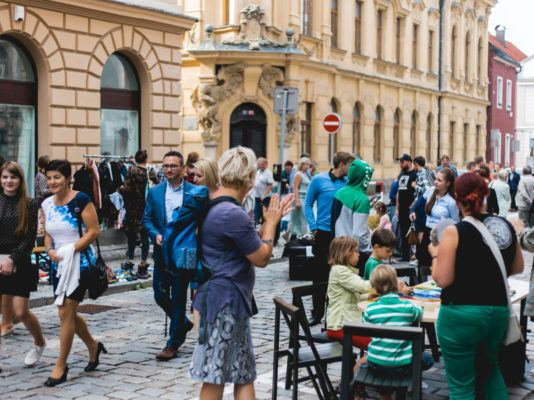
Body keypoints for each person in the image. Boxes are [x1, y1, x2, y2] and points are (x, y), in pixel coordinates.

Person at [189, 146, 294, 400]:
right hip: (224, 303)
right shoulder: (232, 213)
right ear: (249, 178)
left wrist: (267, 225)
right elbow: (261, 257)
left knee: (242, 372)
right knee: (215, 377)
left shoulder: (216, 204)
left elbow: (246, 246)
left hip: (225, 301)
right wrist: (270, 224)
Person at [429, 172, 524, 398]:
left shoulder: (454, 231)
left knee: (462, 384)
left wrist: (435, 255)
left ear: (456, 197)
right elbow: (518, 267)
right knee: (490, 371)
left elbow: (443, 279)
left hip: (461, 314)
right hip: (497, 311)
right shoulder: (506, 225)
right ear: (486, 193)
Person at [42, 159, 103, 386]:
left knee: (66, 312)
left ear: (68, 178)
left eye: (57, 177)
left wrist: (70, 250)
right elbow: (48, 232)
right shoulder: (47, 203)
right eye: (48, 177)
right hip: (59, 264)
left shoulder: (81, 200)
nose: (52, 182)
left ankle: (60, 365)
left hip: (80, 263)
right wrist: (49, 249)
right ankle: (93, 346)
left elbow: (94, 231)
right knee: (64, 312)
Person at [143, 151, 197, 361]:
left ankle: (173, 343)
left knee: (178, 298)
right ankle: (182, 323)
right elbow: (147, 219)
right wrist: (155, 234)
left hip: (183, 253)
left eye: (173, 166)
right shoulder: (155, 192)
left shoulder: (194, 192)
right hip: (161, 252)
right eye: (165, 166)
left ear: (182, 168)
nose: (168, 170)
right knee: (159, 294)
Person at [358, 265, 432, 400]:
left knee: (385, 362)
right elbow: (419, 313)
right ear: (396, 284)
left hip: (376, 365)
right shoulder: (407, 307)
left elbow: (367, 328)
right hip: (401, 367)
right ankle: (403, 389)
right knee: (427, 358)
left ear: (374, 287)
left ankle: (385, 394)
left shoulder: (370, 309)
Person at [0, 162, 45, 368]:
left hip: (19, 261)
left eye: (13, 177)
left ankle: (39, 343)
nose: (9, 181)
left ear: (20, 180)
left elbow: (29, 239)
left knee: (21, 311)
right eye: (5, 177)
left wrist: (12, 259)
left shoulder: (29, 204)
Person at [305, 151, 355, 326]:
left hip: (342, 235)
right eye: (350, 165)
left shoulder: (349, 183)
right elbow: (308, 204)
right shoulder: (318, 180)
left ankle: (336, 315)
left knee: (341, 275)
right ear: (342, 164)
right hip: (323, 234)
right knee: (319, 275)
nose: (351, 168)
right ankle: (317, 313)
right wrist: (314, 227)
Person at [326, 236, 374, 350]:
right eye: (356, 251)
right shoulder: (340, 271)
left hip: (345, 325)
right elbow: (362, 286)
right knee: (379, 347)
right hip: (341, 327)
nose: (359, 254)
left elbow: (350, 296)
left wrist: (369, 296)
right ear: (347, 253)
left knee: (380, 340)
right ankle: (361, 366)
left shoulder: (342, 270)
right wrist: (387, 284)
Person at [410, 168, 459, 271]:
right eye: (435, 179)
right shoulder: (430, 191)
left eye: (439, 180)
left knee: (439, 266)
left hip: (443, 237)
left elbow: (456, 224)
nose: (435, 182)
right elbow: (418, 203)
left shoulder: (452, 201)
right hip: (428, 234)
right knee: (423, 264)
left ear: (448, 183)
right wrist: (412, 211)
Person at [332, 159, 374, 272]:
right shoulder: (362, 199)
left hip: (339, 249)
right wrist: (367, 249)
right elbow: (359, 234)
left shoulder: (339, 193)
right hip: (354, 253)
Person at [118, 150, 153, 279]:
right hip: (146, 209)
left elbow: (126, 189)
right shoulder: (150, 172)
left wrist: (120, 190)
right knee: (145, 236)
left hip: (133, 209)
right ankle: (143, 261)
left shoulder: (132, 171)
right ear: (146, 159)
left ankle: (131, 260)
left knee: (132, 234)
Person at [395, 154, 417, 261]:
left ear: (409, 162)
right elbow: (398, 192)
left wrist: (412, 206)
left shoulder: (415, 174)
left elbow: (417, 194)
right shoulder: (401, 174)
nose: (400, 164)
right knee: (403, 232)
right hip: (402, 209)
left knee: (411, 231)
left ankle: (413, 254)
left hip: (410, 209)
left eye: (402, 162)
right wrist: (397, 208)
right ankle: (404, 256)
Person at [290, 157, 311, 238]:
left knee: (300, 218)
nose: (307, 166)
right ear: (301, 165)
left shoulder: (305, 175)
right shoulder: (298, 174)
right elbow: (295, 188)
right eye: (306, 164)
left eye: (308, 164)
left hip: (305, 198)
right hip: (299, 198)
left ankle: (290, 233)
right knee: (301, 218)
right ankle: (301, 235)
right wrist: (297, 201)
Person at [253, 157, 274, 225]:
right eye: (260, 164)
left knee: (263, 212)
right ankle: (255, 225)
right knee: (256, 211)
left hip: (265, 197)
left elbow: (270, 185)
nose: (262, 165)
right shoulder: (258, 172)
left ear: (266, 164)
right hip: (257, 195)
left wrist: (264, 195)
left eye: (263, 164)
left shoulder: (268, 173)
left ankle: (263, 226)